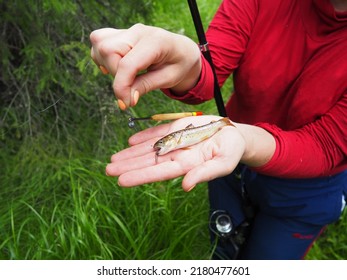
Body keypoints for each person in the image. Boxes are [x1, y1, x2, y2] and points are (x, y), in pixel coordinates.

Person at [90, 0, 347, 259]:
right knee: (221, 250)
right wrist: (188, 64)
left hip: (306, 191)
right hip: (225, 157)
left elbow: (325, 145)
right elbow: (211, 71)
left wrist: (244, 140)